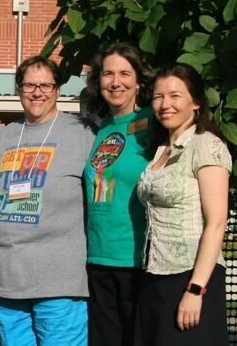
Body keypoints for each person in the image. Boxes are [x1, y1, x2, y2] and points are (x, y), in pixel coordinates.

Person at [0, 56, 94, 345]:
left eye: (45, 85)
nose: (37, 92)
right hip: (6, 278)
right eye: (29, 85)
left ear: (57, 90)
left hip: (58, 280)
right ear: (19, 90)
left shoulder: (82, 133)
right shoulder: (5, 134)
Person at [134, 63, 230, 345]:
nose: (165, 104)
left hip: (190, 277)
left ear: (196, 102)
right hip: (154, 276)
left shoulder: (206, 145)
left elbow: (216, 223)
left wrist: (196, 289)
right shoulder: (160, 150)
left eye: (175, 96)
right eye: (159, 97)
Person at [81, 42, 155, 346]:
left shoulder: (155, 122)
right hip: (96, 259)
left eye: (125, 73)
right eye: (108, 74)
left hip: (136, 261)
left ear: (139, 80)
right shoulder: (97, 128)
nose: (116, 81)